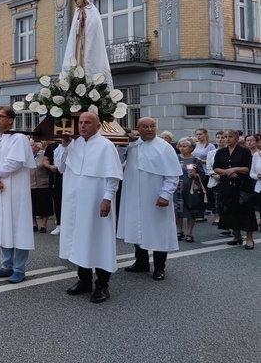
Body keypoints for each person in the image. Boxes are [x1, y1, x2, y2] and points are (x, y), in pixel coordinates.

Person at [56, 112, 123, 304]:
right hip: (75, 200)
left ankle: (102, 285)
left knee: (98, 238)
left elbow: (113, 176)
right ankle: (84, 280)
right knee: (79, 239)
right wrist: (64, 145)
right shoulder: (74, 144)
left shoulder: (105, 146)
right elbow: (60, 167)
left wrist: (107, 198)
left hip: (96, 199)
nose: (83, 126)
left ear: (97, 126)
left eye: (87, 123)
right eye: (81, 123)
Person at [117, 118, 181, 281]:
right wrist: (123, 143)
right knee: (137, 226)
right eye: (145, 127)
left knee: (158, 230)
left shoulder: (164, 147)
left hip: (156, 196)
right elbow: (118, 161)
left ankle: (160, 267)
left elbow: (173, 174)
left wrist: (165, 194)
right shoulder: (132, 145)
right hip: (134, 195)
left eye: (152, 126)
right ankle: (141, 262)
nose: (149, 129)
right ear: (138, 128)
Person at [0, 106, 35, 283]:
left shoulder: (19, 138)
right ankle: (6, 265)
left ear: (11, 119)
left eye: (1, 116)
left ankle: (19, 269)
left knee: (18, 227)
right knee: (3, 225)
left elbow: (15, 162)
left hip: (17, 191)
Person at [214, 129, 256, 249]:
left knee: (246, 212)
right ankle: (237, 236)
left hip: (242, 185)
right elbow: (216, 168)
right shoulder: (221, 152)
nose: (227, 139)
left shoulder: (244, 151)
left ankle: (249, 239)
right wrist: (227, 172)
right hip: (227, 184)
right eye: (225, 136)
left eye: (230, 137)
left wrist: (235, 169)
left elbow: (248, 168)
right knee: (230, 211)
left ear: (237, 138)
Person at [62, 0, 113, 89]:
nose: (77, 2)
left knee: (89, 60)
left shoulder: (92, 9)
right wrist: (79, 24)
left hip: (89, 41)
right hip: (79, 41)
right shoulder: (77, 12)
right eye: (76, 0)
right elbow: (74, 31)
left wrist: (85, 24)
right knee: (78, 60)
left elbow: (95, 25)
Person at [175, 137, 207, 242]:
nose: (182, 148)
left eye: (185, 146)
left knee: (191, 210)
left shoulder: (195, 160)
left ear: (191, 148)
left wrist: (195, 174)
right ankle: (179, 231)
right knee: (178, 211)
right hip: (177, 188)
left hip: (191, 189)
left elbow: (203, 175)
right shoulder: (176, 158)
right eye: (180, 146)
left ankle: (189, 233)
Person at [29, 140, 52, 233]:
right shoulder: (27, 156)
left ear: (36, 147)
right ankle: (34, 224)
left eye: (31, 145)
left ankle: (43, 225)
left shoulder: (43, 154)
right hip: (31, 184)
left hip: (43, 183)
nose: (29, 148)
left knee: (44, 206)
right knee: (32, 205)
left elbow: (47, 165)